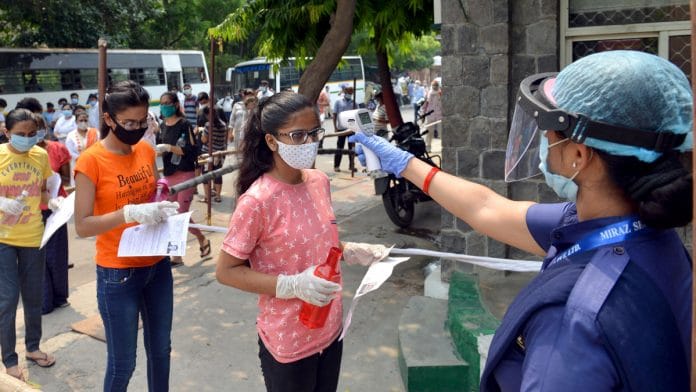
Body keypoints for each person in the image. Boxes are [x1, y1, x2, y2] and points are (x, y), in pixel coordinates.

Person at [351, 50, 693, 391]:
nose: (544, 138)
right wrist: (406, 164)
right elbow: (488, 209)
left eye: (549, 129)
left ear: (578, 155)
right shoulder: (642, 229)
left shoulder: (570, 320)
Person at [215, 91, 389, 392]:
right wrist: (291, 285)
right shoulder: (257, 201)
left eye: (314, 133)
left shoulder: (318, 181)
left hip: (331, 328)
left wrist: (350, 250)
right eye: (297, 135)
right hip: (288, 341)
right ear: (271, 141)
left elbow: (318, 243)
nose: (309, 143)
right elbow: (226, 271)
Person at [73, 80, 180, 391]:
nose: (136, 128)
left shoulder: (146, 150)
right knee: (124, 363)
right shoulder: (90, 161)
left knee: (161, 350)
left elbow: (155, 195)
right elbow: (82, 225)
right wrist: (128, 213)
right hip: (117, 274)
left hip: (157, 265)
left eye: (142, 121)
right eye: (128, 122)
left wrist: (163, 207)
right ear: (109, 120)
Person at [0, 109, 58, 382]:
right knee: (8, 299)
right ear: (6, 131)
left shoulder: (41, 155)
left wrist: (56, 202)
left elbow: (45, 189)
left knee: (34, 296)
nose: (26, 139)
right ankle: (9, 360)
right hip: (2, 238)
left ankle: (33, 347)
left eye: (31, 134)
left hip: (34, 235)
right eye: (20, 135)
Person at [155, 92, 210, 266]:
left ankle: (177, 255)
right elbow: (159, 149)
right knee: (171, 214)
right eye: (162, 103)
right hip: (169, 175)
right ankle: (202, 238)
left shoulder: (184, 124)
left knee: (181, 214)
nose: (164, 106)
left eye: (167, 103)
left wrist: (170, 147)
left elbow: (192, 150)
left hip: (185, 172)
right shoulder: (162, 126)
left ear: (176, 105)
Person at [35, 117, 71, 315]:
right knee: (36, 256)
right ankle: (44, 302)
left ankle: (59, 296)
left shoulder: (58, 149)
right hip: (31, 211)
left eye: (39, 129)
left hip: (56, 207)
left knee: (56, 255)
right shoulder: (23, 154)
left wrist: (50, 181)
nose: (35, 133)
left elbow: (66, 177)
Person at [197, 105, 228, 203]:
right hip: (219, 154)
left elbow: (204, 139)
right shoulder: (223, 124)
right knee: (218, 175)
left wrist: (201, 133)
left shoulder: (208, 125)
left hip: (208, 153)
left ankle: (207, 197)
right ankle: (218, 196)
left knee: (206, 175)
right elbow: (224, 140)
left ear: (207, 115)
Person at [65, 112, 99, 186]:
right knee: (80, 185)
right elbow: (70, 151)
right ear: (76, 122)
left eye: (85, 120)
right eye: (81, 120)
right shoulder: (71, 135)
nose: (83, 122)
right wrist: (83, 159)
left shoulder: (95, 132)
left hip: (94, 163)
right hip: (77, 164)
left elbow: (99, 147)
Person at [332, 86, 356, 172]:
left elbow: (356, 116)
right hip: (341, 129)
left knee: (351, 148)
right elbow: (334, 115)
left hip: (351, 129)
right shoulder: (338, 102)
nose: (350, 94)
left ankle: (351, 165)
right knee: (340, 148)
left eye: (351, 92)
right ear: (345, 92)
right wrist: (335, 127)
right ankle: (336, 166)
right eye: (349, 92)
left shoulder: (354, 103)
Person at [419, 79, 442, 151]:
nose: (435, 87)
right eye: (433, 85)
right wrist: (422, 115)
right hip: (430, 115)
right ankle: (428, 148)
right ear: (431, 86)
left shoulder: (441, 93)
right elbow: (424, 105)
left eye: (436, 85)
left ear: (438, 86)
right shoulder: (428, 94)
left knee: (442, 132)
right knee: (429, 132)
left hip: (440, 115)